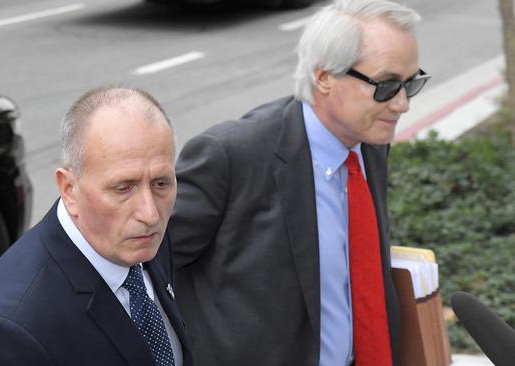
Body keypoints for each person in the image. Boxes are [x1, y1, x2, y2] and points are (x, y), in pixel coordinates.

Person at [167, 0, 430, 365]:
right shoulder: (232, 156)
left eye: (410, 83)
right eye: (386, 86)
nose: (402, 104)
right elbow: (145, 267)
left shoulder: (369, 144)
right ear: (324, 77)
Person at [0, 86, 193, 366]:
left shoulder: (141, 240)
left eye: (161, 183)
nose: (150, 213)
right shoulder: (10, 330)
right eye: (122, 188)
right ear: (69, 189)